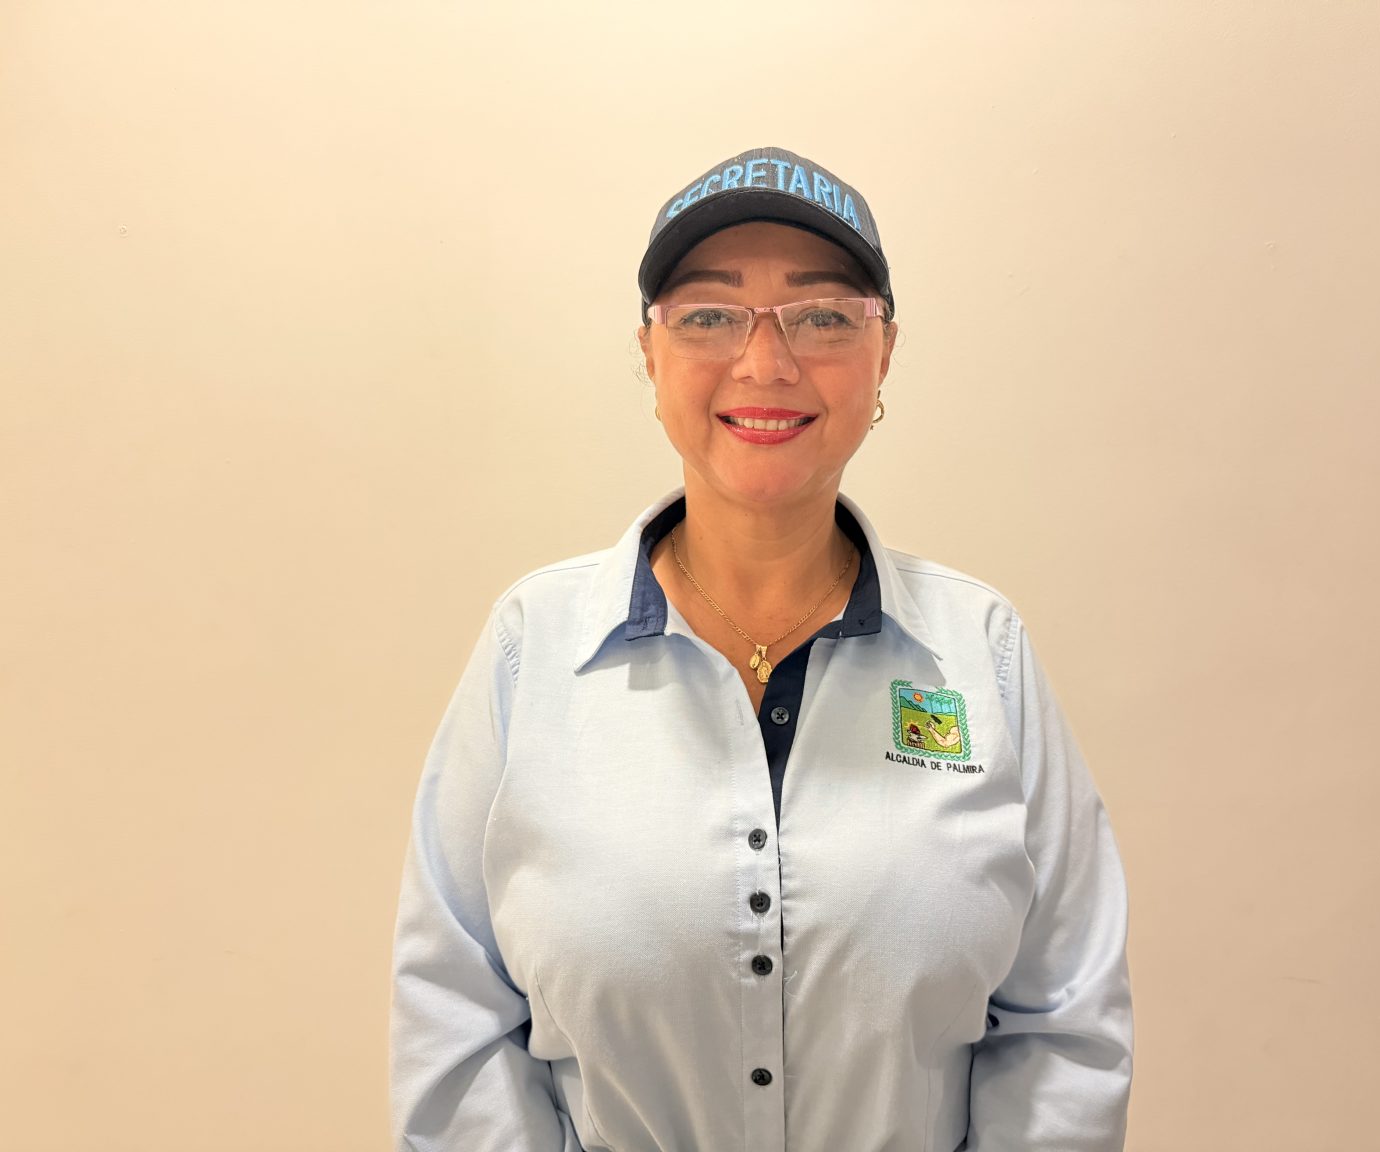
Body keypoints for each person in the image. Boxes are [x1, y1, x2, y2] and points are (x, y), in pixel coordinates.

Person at [390, 146, 1133, 1151]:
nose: (765, 363)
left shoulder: (980, 653)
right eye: (709, 315)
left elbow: (1065, 1024)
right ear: (650, 355)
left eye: (822, 316)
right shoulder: (536, 649)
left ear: (884, 353)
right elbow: (454, 1015)